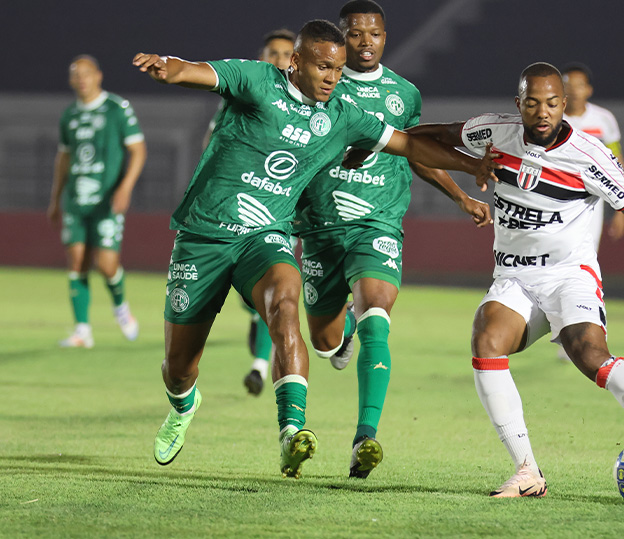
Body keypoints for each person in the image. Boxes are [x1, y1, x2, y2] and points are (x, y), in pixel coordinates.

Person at [132, 19, 498, 479]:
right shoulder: (258, 81)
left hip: (265, 237)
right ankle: (183, 406)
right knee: (179, 367)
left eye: (339, 70)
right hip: (203, 236)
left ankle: (291, 433)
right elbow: (198, 72)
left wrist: (471, 167)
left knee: (286, 302)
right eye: (324, 67)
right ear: (295, 61)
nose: (332, 77)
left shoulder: (342, 113)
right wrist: (170, 67)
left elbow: (408, 145)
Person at [409, 62, 624, 498]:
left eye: (552, 103)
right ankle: (527, 471)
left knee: (589, 354)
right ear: (519, 104)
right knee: (486, 341)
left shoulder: (589, 156)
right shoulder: (494, 131)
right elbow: (425, 138)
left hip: (568, 276)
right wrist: (466, 165)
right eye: (532, 103)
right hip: (513, 277)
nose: (542, 112)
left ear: (565, 105)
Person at [294, 0, 492, 479]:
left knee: (376, 316)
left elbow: (415, 151)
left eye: (374, 34)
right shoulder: (317, 85)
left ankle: (366, 436)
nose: (366, 43)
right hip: (319, 227)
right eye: (356, 34)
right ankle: (339, 338)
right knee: (324, 343)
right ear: (341, 37)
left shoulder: (403, 94)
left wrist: (460, 196)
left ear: (385, 37)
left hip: (377, 223)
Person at [202, 28, 296, 398]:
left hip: (280, 212)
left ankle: (259, 366)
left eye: (286, 53)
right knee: (252, 297)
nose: (278, 59)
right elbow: (212, 146)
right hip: (236, 209)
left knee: (271, 286)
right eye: (271, 52)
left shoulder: (311, 104)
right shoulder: (240, 99)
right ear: (260, 56)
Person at [48, 55, 147, 349]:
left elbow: (138, 150)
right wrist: (55, 198)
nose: (81, 79)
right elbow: (64, 158)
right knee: (76, 260)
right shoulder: (69, 116)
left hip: (107, 200)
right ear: (70, 81)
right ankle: (82, 331)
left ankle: (120, 307)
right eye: (75, 74)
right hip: (77, 201)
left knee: (105, 264)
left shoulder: (117, 109)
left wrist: (125, 188)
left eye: (86, 73)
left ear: (98, 76)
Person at [561, 63, 624, 245]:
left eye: (580, 85)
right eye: (568, 85)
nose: (574, 91)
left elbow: (616, 161)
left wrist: (620, 210)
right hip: (555, 194)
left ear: (589, 89)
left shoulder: (603, 119)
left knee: (587, 252)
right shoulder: (551, 118)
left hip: (592, 196)